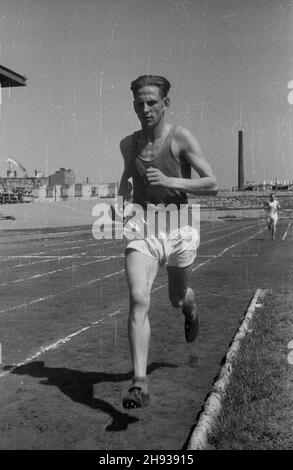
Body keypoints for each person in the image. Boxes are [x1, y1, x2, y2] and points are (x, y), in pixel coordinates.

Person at [116, 75, 218, 409]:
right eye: (139, 103)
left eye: (151, 102)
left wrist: (171, 179)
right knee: (138, 298)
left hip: (179, 226)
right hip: (144, 225)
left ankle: (190, 307)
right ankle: (139, 384)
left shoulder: (180, 138)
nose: (144, 109)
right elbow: (126, 179)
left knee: (176, 299)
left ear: (165, 104)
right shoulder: (128, 144)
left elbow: (211, 182)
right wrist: (121, 202)